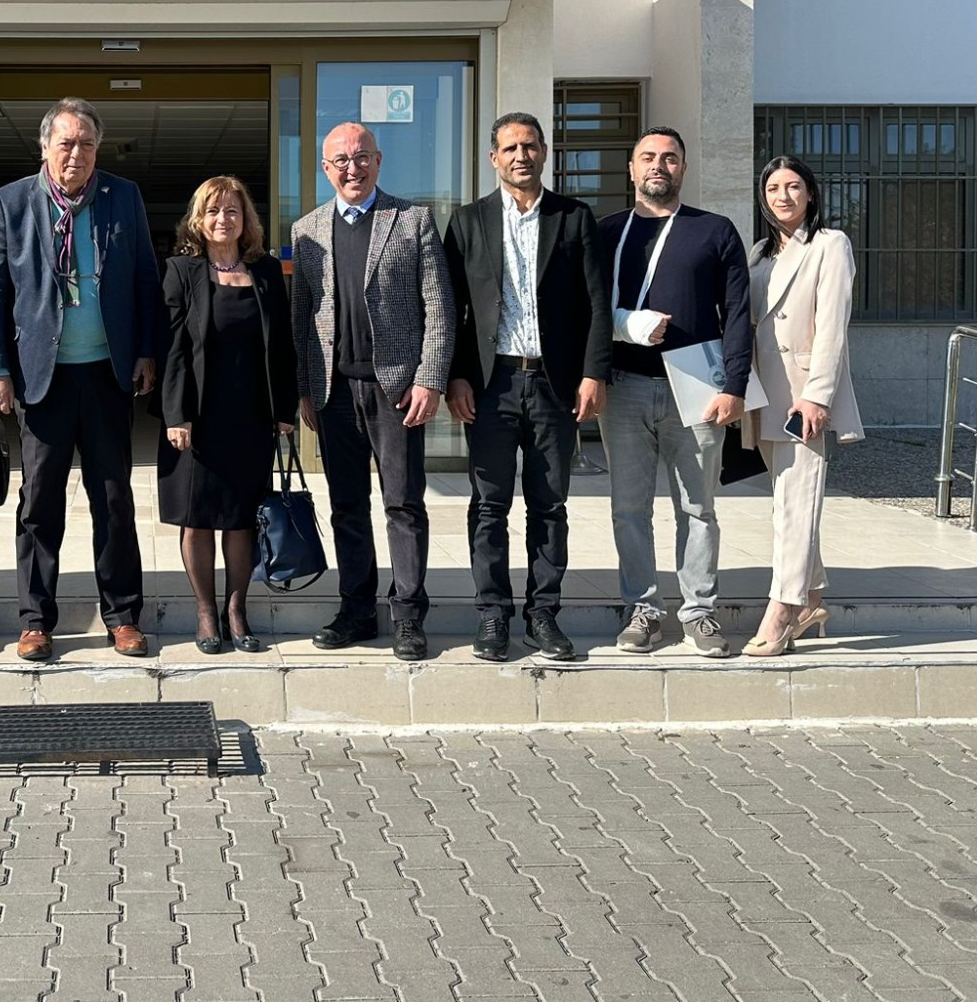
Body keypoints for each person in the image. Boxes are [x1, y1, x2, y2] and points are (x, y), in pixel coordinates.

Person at [0, 96, 161, 662]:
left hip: (107, 373)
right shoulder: (9, 203)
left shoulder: (123, 196)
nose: (75, 153)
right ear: (44, 146)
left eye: (86, 144)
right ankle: (35, 620)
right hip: (41, 378)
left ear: (97, 149)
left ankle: (122, 617)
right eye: (65, 143)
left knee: (114, 498)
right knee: (39, 503)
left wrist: (147, 351)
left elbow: (145, 279)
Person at [443, 112, 612, 664]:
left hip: (553, 384)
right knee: (489, 504)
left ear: (544, 152)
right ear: (494, 157)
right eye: (511, 147)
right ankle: (492, 613)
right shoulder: (467, 222)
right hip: (489, 384)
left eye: (531, 146)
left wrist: (594, 372)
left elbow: (596, 303)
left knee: (550, 504)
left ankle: (543, 613)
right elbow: (451, 309)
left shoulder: (574, 218)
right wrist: (455, 376)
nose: (522, 155)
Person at [290, 122, 454, 662]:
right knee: (346, 507)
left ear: (378, 161)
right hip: (334, 391)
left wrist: (430, 378)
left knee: (403, 504)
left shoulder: (412, 220)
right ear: (326, 169)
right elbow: (301, 318)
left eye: (361, 156)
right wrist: (305, 389)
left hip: (397, 390)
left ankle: (408, 616)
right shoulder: (307, 230)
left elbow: (439, 306)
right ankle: (356, 610)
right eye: (340, 160)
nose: (352, 167)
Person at [597, 126, 752, 658]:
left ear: (683, 167)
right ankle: (642, 608)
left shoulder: (714, 231)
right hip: (623, 387)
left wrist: (734, 385)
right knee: (628, 507)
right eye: (648, 157)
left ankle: (699, 612)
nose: (658, 166)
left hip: (698, 388)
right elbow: (585, 309)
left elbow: (738, 313)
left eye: (669, 158)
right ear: (632, 169)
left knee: (698, 507)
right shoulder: (607, 232)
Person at [159, 176, 297, 654]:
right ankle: (205, 612)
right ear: (198, 219)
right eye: (213, 211)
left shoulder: (266, 271)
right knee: (197, 518)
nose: (223, 219)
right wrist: (176, 414)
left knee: (241, 519)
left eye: (232, 210)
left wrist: (283, 409)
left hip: (251, 416)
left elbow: (282, 345)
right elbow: (173, 349)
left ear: (246, 219)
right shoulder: (181, 271)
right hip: (197, 419)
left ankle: (236, 609)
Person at [742, 155, 864, 657]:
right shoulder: (759, 254)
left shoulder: (830, 244)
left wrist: (817, 395)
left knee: (796, 503)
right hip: (762, 392)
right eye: (773, 188)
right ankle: (812, 598)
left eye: (793, 186)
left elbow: (833, 327)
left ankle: (783, 608)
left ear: (810, 193)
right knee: (787, 501)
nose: (783, 196)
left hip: (802, 394)